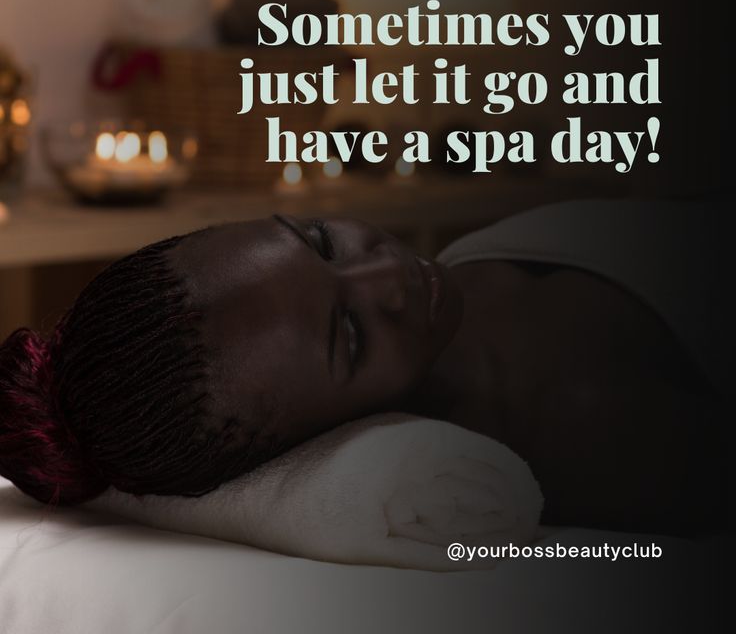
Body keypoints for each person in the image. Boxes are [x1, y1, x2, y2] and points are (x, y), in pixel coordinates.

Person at [0, 200, 728, 535]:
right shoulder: (589, 423)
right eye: (349, 333)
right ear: (327, 437)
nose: (388, 273)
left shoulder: (463, 289)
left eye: (320, 240)